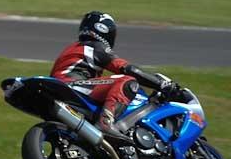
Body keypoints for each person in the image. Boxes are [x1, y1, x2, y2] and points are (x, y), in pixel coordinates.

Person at [50, 11, 180, 142]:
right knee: (127, 81)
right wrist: (161, 84)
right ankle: (106, 123)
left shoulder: (75, 47)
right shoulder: (94, 46)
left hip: (65, 88)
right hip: (71, 85)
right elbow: (128, 69)